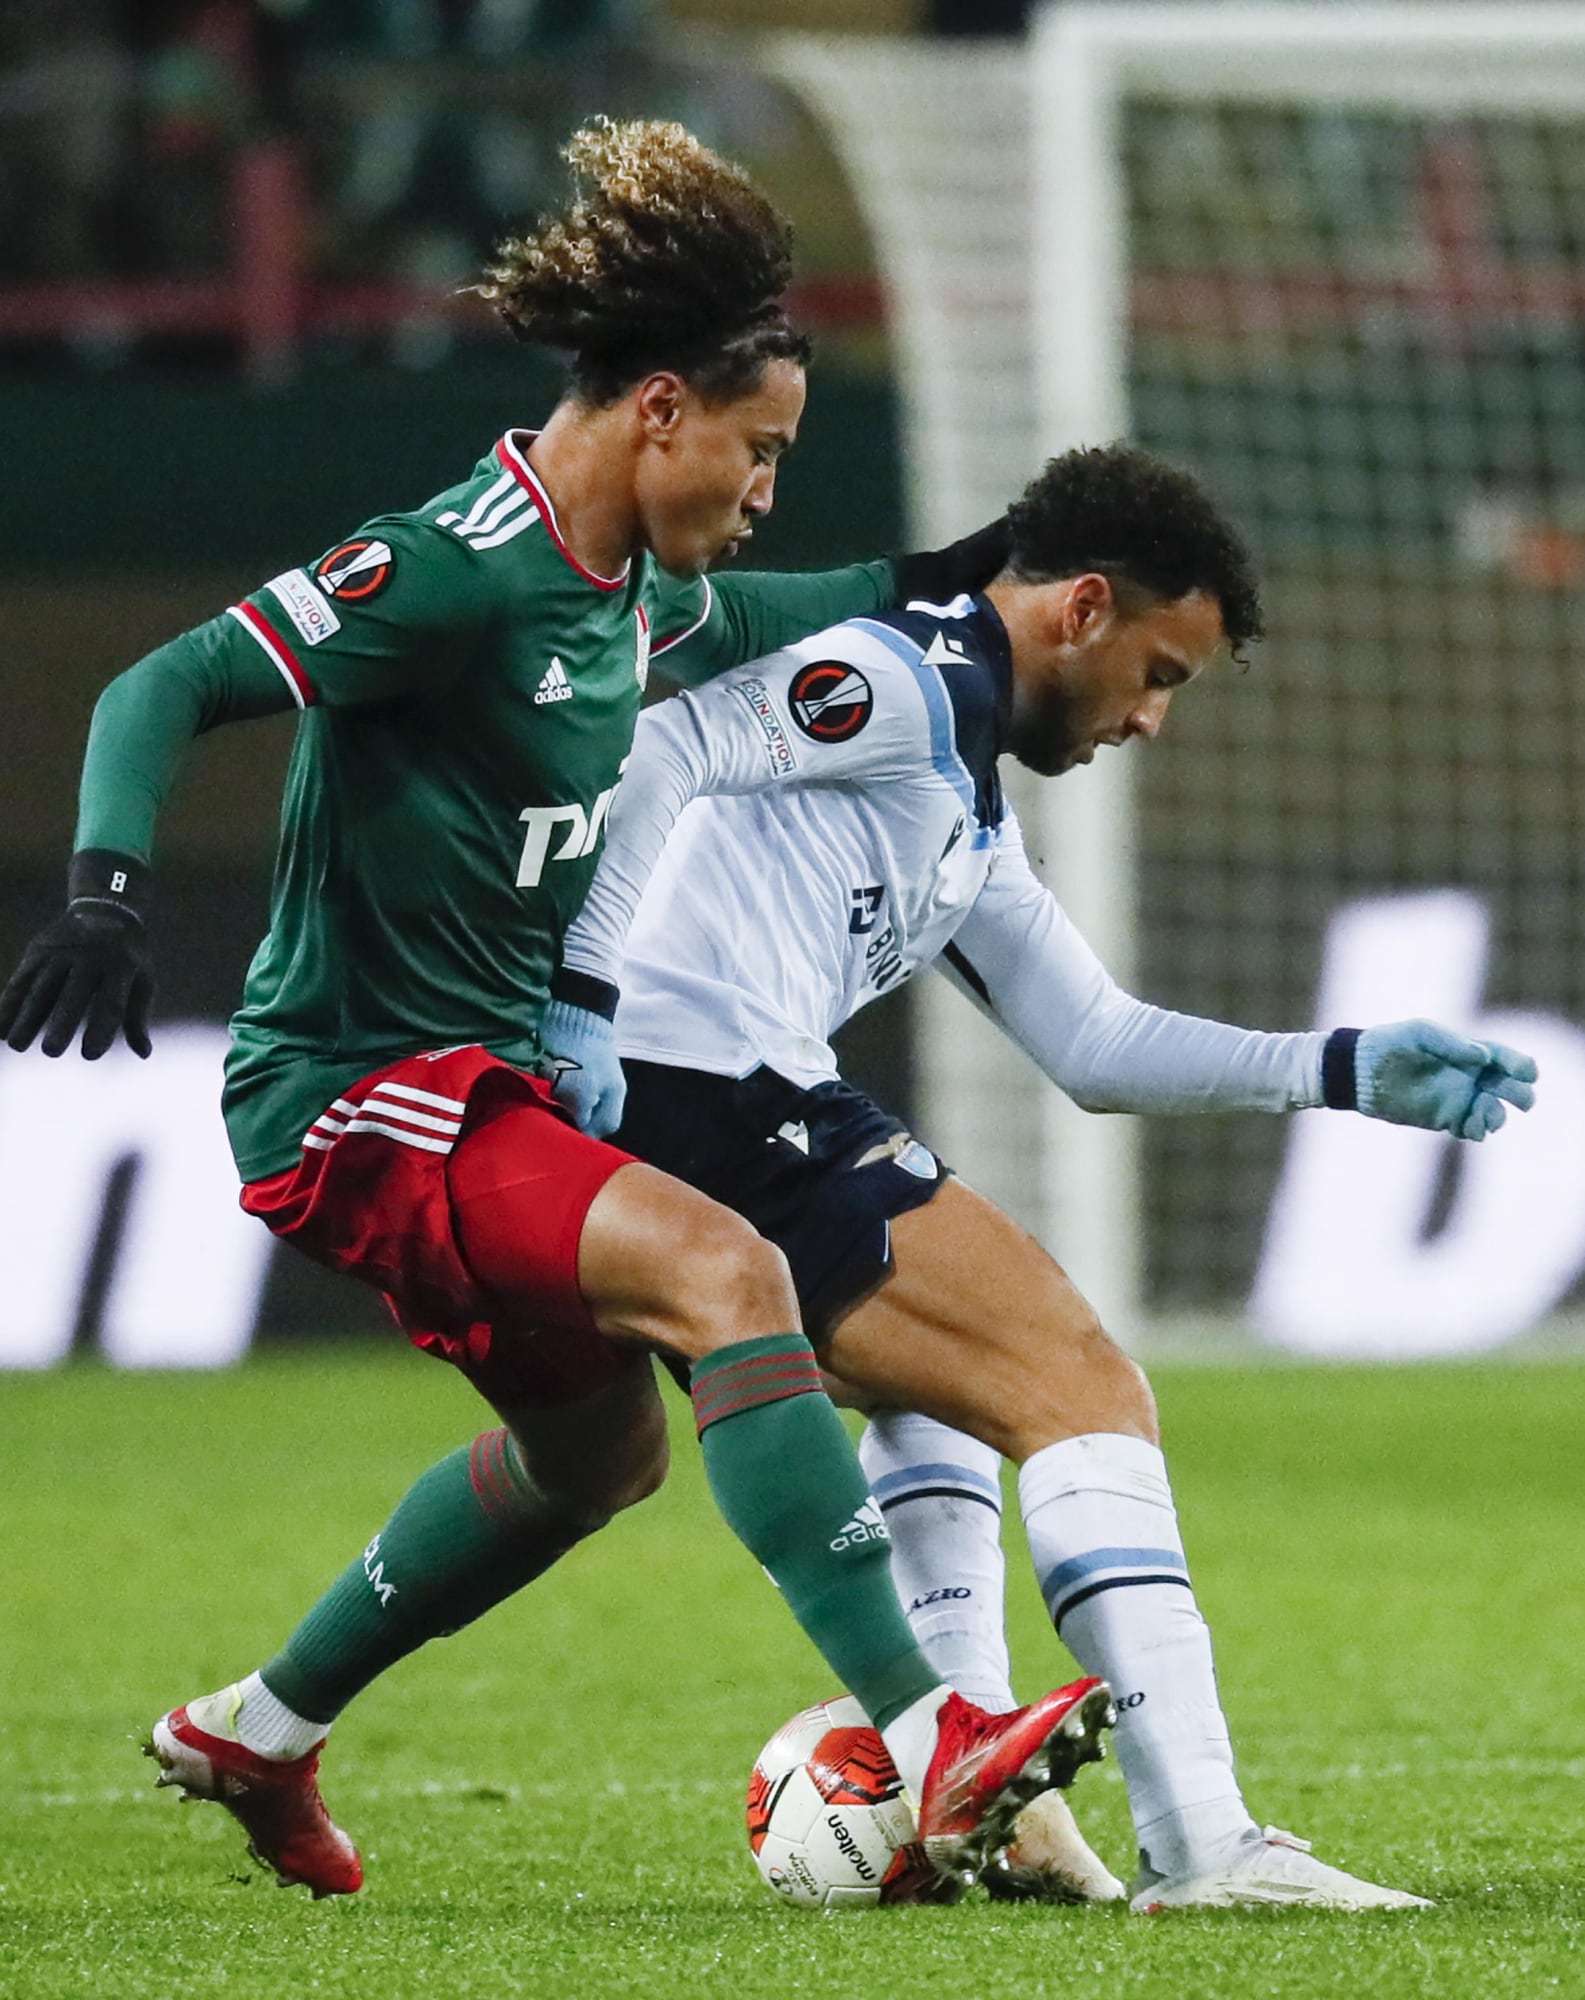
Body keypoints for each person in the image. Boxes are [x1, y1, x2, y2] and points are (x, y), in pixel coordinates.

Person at [0, 118, 1111, 1899]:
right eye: (756, 449)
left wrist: (952, 570)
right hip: (355, 1090)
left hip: (490, 1089)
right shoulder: (450, 568)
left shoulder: (630, 592)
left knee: (598, 1456)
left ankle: (256, 1731)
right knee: (728, 1275)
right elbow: (166, 680)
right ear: (661, 409)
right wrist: (106, 895)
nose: (764, 488)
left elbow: (768, 611)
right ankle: (932, 1736)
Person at [546, 442, 1539, 1912]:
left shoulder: (962, 797)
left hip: (721, 1100)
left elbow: (1095, 1042)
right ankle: (1203, 1844)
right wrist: (582, 993)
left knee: (941, 1394)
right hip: (703, 1090)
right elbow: (666, 749)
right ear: (1081, 610)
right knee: (1082, 1387)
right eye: (1158, 674)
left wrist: (1337, 1068)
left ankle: (987, 1803)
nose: (1149, 717)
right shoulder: (900, 676)